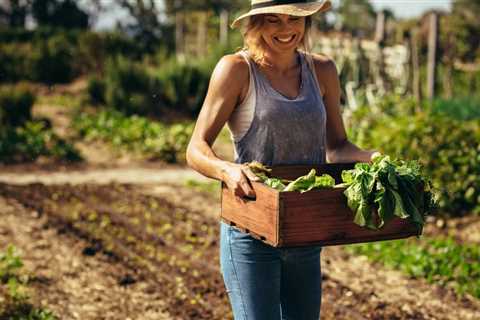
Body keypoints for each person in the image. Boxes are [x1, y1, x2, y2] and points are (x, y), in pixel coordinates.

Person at [186, 1, 379, 318]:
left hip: (304, 228)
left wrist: (374, 158)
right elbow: (196, 148)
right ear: (256, 23)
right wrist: (226, 170)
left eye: (295, 19)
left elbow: (338, 146)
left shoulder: (323, 70)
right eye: (273, 20)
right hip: (251, 230)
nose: (286, 29)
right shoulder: (237, 70)